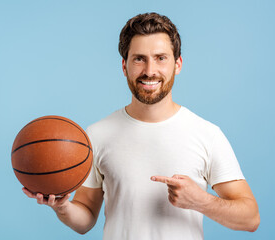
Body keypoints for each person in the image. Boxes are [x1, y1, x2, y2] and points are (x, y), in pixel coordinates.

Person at [23, 12, 260, 239]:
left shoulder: (207, 134)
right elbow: (85, 217)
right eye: (139, 59)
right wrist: (62, 206)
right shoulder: (96, 135)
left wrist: (201, 201)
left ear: (177, 64)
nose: (149, 71)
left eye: (160, 58)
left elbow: (250, 218)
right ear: (124, 65)